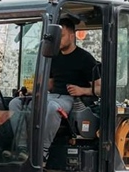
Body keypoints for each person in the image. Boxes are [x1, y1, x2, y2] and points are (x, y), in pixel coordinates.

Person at [7, 17, 100, 163]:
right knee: (16, 103)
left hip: (70, 99)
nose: (58, 40)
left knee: (52, 107)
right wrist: (32, 91)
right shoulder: (54, 57)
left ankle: (42, 152)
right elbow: (50, 84)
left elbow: (99, 88)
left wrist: (82, 90)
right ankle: (23, 149)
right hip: (51, 96)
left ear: (71, 36)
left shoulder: (85, 58)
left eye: (61, 36)